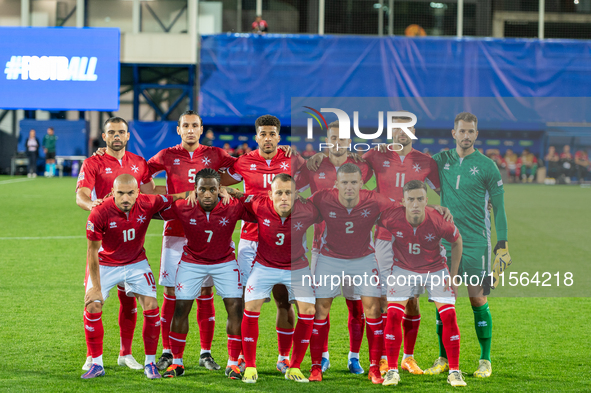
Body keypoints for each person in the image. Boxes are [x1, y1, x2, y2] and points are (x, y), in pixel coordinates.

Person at [147, 111, 237, 372]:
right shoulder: (166, 155)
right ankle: (168, 351)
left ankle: (205, 353)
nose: (189, 130)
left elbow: (241, 170)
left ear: (201, 129)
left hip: (209, 232)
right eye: (185, 126)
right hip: (175, 232)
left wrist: (225, 188)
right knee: (172, 292)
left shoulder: (216, 154)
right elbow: (139, 173)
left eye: (194, 126)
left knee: (206, 293)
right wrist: (168, 194)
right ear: (178, 130)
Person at [221, 115, 305, 374]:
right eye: (263, 134)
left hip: (283, 241)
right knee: (241, 302)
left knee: (284, 302)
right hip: (250, 240)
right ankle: (236, 360)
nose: (267, 138)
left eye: (272, 134)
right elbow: (219, 182)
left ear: (279, 137)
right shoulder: (244, 162)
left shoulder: (293, 160)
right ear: (256, 137)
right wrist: (227, 192)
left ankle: (283, 357)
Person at [429, 112, 509, 378]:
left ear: (476, 134)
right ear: (454, 133)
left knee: (477, 298)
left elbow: (498, 208)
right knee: (443, 300)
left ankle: (485, 360)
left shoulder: (487, 166)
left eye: (470, 131)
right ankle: (442, 357)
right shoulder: (440, 160)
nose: (465, 136)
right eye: (461, 131)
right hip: (444, 240)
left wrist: (502, 243)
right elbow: (411, 167)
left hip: (476, 242)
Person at [362, 113, 441, 376]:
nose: (401, 133)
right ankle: (385, 357)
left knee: (412, 299)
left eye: (406, 128)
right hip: (385, 237)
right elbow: (349, 172)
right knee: (386, 297)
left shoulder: (426, 161)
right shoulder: (375, 155)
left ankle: (408, 357)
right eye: (396, 129)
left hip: (416, 239)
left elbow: (448, 190)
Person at [77, 116, 158, 371]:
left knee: (129, 301)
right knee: (93, 297)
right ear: (104, 136)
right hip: (104, 238)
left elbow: (151, 194)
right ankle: (93, 356)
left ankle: (125, 353)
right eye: (111, 132)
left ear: (128, 135)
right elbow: (81, 194)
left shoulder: (138, 162)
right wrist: (94, 206)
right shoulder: (93, 162)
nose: (116, 136)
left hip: (131, 242)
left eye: (121, 132)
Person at [307, 163, 397, 384]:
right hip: (329, 259)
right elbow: (298, 209)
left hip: (363, 259)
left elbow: (403, 208)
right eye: (345, 182)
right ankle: (316, 367)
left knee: (373, 310)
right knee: (320, 310)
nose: (349, 187)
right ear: (336, 184)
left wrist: (437, 211)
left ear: (361, 184)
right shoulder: (322, 197)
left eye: (354, 182)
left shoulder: (374, 199)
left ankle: (374, 368)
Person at [296, 121, 373, 375]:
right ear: (326, 140)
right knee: (322, 305)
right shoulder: (315, 165)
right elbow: (295, 193)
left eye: (342, 138)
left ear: (349, 141)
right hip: (323, 247)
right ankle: (324, 357)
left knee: (357, 305)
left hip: (358, 246)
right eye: (332, 138)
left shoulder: (362, 165)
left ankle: (354, 357)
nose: (337, 142)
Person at [158, 169, 251, 380]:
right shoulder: (184, 207)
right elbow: (151, 210)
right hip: (192, 263)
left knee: (236, 308)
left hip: (224, 262)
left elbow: (261, 209)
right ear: (195, 190)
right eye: (202, 189)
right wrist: (179, 196)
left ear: (220, 190)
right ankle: (177, 363)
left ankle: (233, 363)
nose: (207, 194)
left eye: (212, 189)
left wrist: (238, 194)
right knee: (181, 308)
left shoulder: (233, 206)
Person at [82, 174, 177, 379]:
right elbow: (92, 252)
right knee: (93, 304)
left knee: (152, 306)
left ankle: (150, 363)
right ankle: (96, 364)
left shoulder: (148, 202)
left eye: (130, 193)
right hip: (106, 264)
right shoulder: (99, 212)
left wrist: (200, 192)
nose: (126, 198)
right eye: (121, 193)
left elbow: (175, 197)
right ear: (112, 193)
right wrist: (95, 287)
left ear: (138, 193)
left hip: (136, 262)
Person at [378, 180, 465, 387]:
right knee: (393, 314)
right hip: (402, 269)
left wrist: (453, 275)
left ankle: (454, 371)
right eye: (411, 200)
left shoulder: (438, 220)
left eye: (419, 199)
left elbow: (457, 240)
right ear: (403, 201)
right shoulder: (391, 216)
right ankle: (392, 370)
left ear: (426, 200)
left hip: (434, 268)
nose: (415, 204)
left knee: (450, 315)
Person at [240, 174, 319, 383]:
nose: (284, 197)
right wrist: (226, 191)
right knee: (250, 306)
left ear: (296, 195)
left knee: (309, 309)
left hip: (297, 266)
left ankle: (294, 366)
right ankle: (249, 366)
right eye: (279, 193)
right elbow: (239, 197)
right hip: (264, 265)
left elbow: (331, 212)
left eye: (288, 193)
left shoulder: (309, 210)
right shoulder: (259, 204)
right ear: (270, 194)